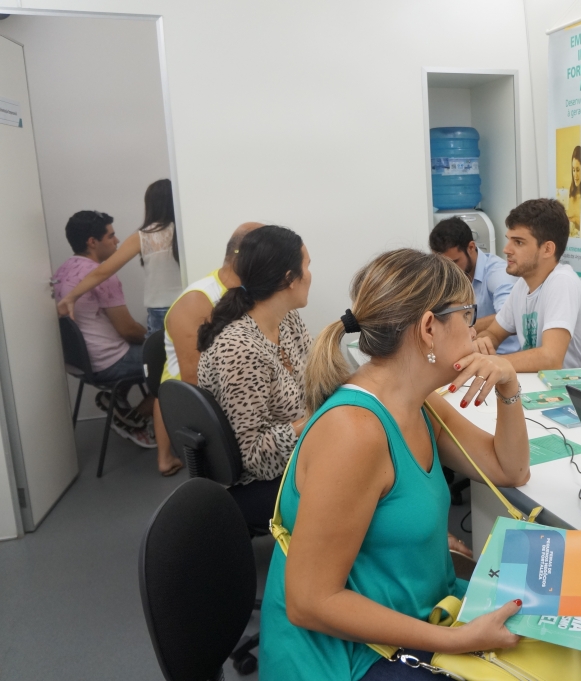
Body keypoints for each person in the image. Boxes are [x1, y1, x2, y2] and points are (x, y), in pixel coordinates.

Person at [261, 248, 530, 680]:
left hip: (411, 619)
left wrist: (508, 385)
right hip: (350, 657)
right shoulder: (355, 431)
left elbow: (510, 469)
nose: (476, 328)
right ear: (429, 328)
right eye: (468, 315)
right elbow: (309, 601)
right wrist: (459, 640)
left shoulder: (421, 404)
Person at [196, 226, 312, 511]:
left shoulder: (287, 320)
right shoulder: (241, 349)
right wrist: (310, 422)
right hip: (259, 482)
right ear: (289, 279)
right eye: (307, 266)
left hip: (302, 451)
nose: (310, 275)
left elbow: (315, 380)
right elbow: (255, 457)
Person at [149, 221, 263, 476]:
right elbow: (194, 379)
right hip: (189, 397)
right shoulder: (197, 301)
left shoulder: (248, 291)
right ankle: (166, 459)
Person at [53, 210, 155, 449]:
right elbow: (128, 330)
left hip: (79, 362)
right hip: (107, 362)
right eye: (111, 235)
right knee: (176, 360)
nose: (117, 241)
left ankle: (115, 399)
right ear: (92, 242)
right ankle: (134, 420)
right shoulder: (101, 276)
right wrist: (156, 341)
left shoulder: (63, 271)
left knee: (144, 347)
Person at [474, 199, 581, 371]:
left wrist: (493, 363)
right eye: (509, 240)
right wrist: (483, 342)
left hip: (580, 392)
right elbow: (494, 333)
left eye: (518, 242)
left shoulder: (562, 282)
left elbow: (550, 359)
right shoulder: (522, 284)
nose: (506, 249)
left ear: (547, 249)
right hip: (542, 388)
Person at [57, 179, 182, 336]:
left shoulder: (144, 236)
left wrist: (71, 297)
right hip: (193, 303)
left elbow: (102, 272)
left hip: (162, 309)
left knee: (163, 360)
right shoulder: (189, 232)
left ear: (151, 205)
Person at [429, 216, 520, 354]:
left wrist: (458, 327)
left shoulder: (498, 273)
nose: (449, 271)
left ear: (471, 247)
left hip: (504, 358)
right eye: (443, 264)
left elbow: (511, 317)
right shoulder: (444, 272)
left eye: (454, 262)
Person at [567, 145, 581, 237]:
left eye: (578, 170)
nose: (575, 175)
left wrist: (576, 220)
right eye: (573, 170)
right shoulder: (570, 192)